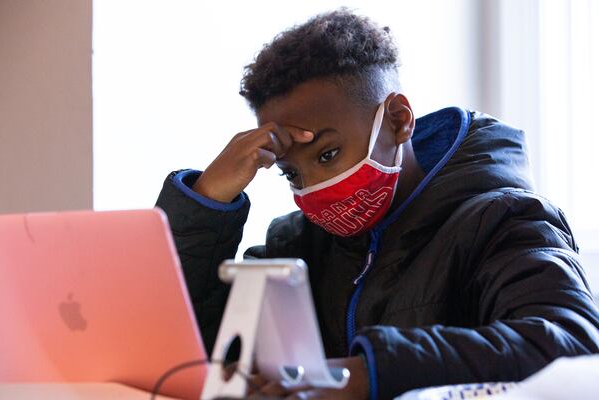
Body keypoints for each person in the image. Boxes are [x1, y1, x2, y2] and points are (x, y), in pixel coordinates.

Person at [155, 8, 599, 400]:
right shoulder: (295, 245)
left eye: (327, 154)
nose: (315, 185)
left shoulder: (503, 220)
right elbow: (192, 353)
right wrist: (209, 199)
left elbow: (573, 343)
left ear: (398, 119)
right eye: (292, 173)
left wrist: (365, 374)